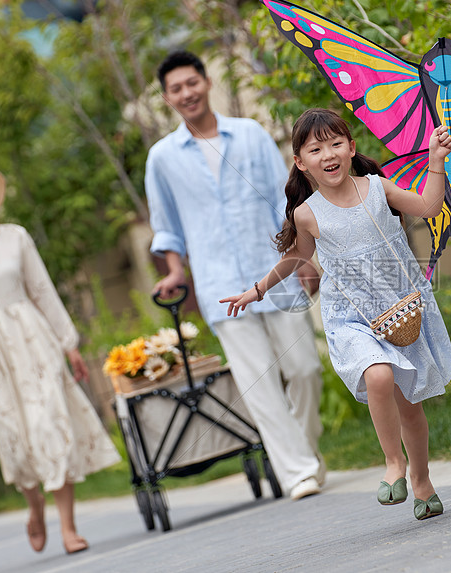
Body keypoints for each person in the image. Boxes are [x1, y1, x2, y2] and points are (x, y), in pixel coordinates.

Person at [221, 109, 451, 520]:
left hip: (399, 303)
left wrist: (436, 162)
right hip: (350, 315)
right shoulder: (307, 213)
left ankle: (421, 481)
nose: (327, 154)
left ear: (351, 148)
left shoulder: (378, 188)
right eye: (315, 148)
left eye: (335, 143)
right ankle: (393, 463)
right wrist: (259, 289)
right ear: (300, 162)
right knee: (378, 374)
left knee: (411, 408)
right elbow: (297, 256)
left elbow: (428, 205)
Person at [145, 50, 325, 500]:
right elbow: (167, 226)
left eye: (192, 83)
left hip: (274, 270)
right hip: (220, 284)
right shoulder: (162, 158)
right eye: (176, 89)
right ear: (166, 98)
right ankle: (297, 471)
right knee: (259, 382)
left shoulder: (249, 135)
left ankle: (304, 450)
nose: (186, 93)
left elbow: (287, 200)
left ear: (206, 82)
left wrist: (304, 258)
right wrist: (173, 271)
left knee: (304, 370)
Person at [0, 160, 121, 553]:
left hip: (34, 339)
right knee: (14, 434)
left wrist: (69, 342)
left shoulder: (16, 236)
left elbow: (42, 290)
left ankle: (68, 527)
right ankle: (34, 504)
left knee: (49, 420)